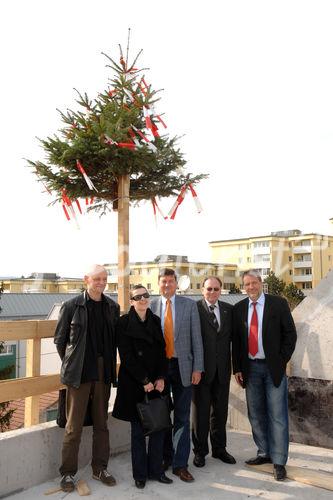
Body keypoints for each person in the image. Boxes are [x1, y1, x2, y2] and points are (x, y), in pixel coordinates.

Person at [54, 264, 119, 492]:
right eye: (96, 278)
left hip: (103, 372)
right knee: (73, 427)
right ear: (86, 280)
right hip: (79, 373)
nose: (101, 282)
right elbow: (60, 341)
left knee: (102, 424)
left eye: (104, 278)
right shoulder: (72, 305)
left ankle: (100, 468)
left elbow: (114, 343)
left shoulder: (113, 307)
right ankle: (67, 474)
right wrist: (73, 365)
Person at [232, 270, 297, 481]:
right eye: (247, 284)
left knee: (277, 416)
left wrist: (281, 360)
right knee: (256, 414)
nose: (250, 287)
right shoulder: (239, 308)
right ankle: (264, 453)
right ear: (243, 286)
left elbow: (290, 334)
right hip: (250, 369)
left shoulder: (277, 303)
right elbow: (237, 343)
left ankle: (279, 461)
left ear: (261, 283)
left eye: (254, 283)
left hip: (273, 369)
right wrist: (237, 368)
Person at [112, 285, 172, 489]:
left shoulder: (154, 320)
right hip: (135, 385)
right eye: (138, 297)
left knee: (158, 429)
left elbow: (163, 352)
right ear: (131, 301)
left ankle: (156, 471)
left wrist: (162, 377)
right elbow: (127, 356)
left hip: (156, 384)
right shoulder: (124, 323)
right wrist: (144, 381)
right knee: (138, 432)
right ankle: (140, 474)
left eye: (146, 295)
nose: (143, 299)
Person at [150, 268, 204, 483]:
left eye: (171, 282)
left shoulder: (189, 305)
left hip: (183, 367)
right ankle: (165, 459)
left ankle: (181, 464)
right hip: (160, 370)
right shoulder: (151, 305)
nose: (167, 285)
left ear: (176, 284)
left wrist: (197, 368)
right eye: (163, 282)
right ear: (158, 283)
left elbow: (196, 339)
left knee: (181, 416)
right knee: (162, 417)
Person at [192, 276, 236, 468]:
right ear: (203, 290)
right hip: (201, 371)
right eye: (209, 289)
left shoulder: (229, 310)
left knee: (220, 412)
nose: (212, 292)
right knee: (200, 414)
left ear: (221, 290)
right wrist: (195, 368)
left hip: (223, 371)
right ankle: (200, 452)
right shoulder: (195, 309)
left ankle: (219, 449)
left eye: (216, 289)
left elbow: (236, 341)